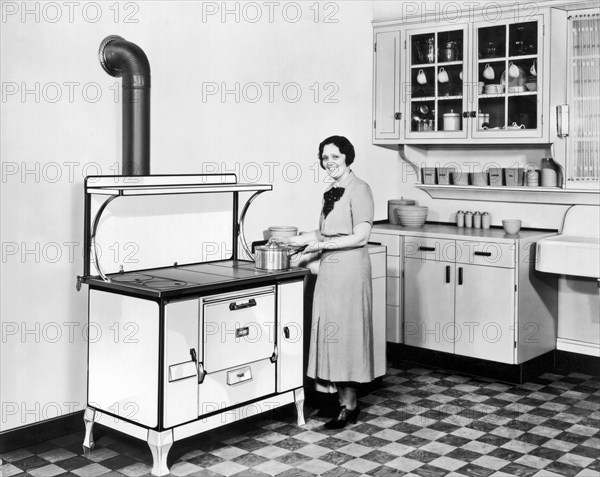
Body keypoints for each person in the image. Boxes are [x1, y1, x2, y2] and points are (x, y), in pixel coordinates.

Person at [291, 135, 374, 429]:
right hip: (330, 271)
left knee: (347, 335)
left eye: (335, 157)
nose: (330, 163)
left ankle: (350, 406)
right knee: (331, 334)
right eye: (325, 158)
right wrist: (295, 240)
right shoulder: (332, 190)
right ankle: (340, 400)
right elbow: (326, 232)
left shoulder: (359, 189)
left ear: (347, 157)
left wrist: (322, 248)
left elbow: (360, 236)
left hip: (351, 271)